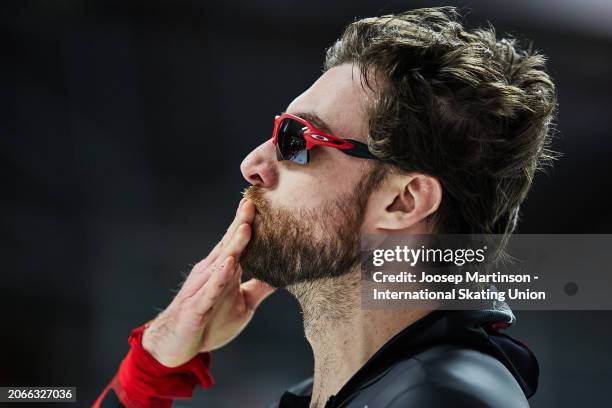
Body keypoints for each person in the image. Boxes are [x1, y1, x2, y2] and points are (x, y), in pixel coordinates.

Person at [94, 7, 556, 408]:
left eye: (296, 140)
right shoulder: (347, 395)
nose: (253, 163)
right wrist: (154, 365)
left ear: (403, 200)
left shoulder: (439, 400)